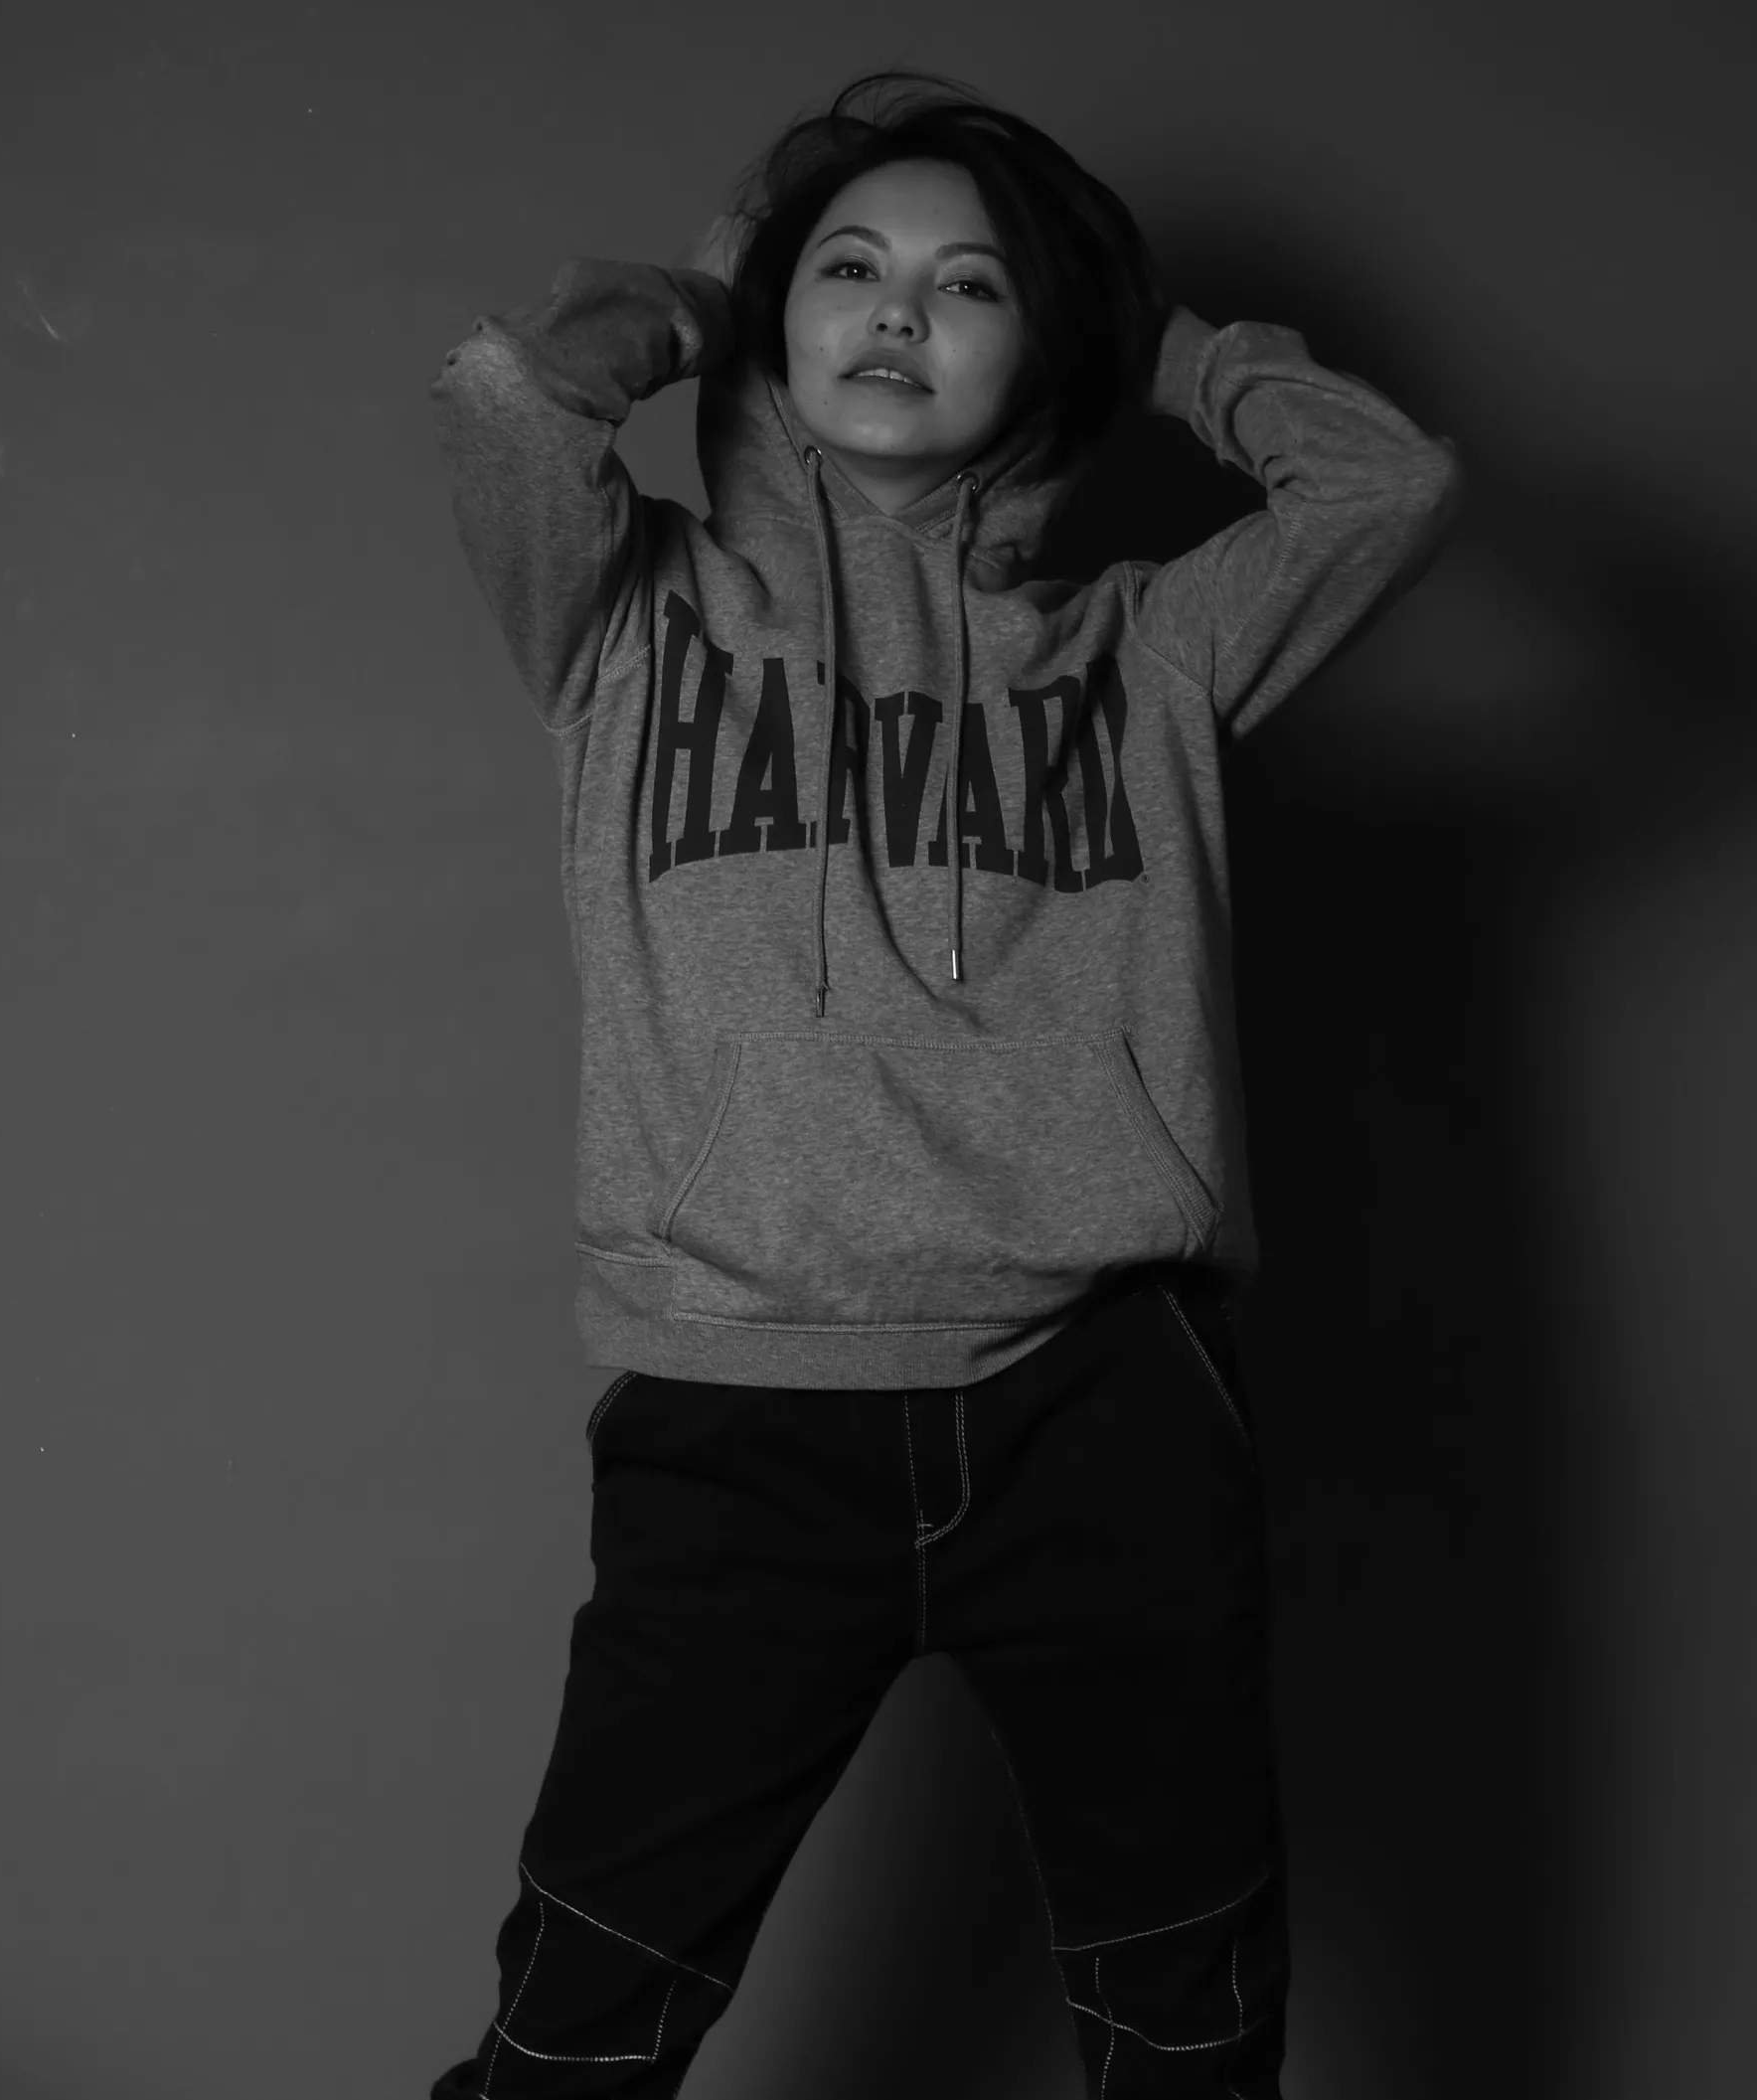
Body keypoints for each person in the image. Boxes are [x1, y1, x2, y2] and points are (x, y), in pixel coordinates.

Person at [425, 68, 1461, 2100]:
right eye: (850, 268)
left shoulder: (1153, 651)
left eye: (973, 284)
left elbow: (1390, 486)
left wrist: (1149, 337)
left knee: (1184, 2036)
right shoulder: (630, 618)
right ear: (771, 314)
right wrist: (709, 291)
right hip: (739, 1414)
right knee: (573, 2036)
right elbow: (507, 399)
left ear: (1045, 352)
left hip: (1106, 1413)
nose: (901, 308)